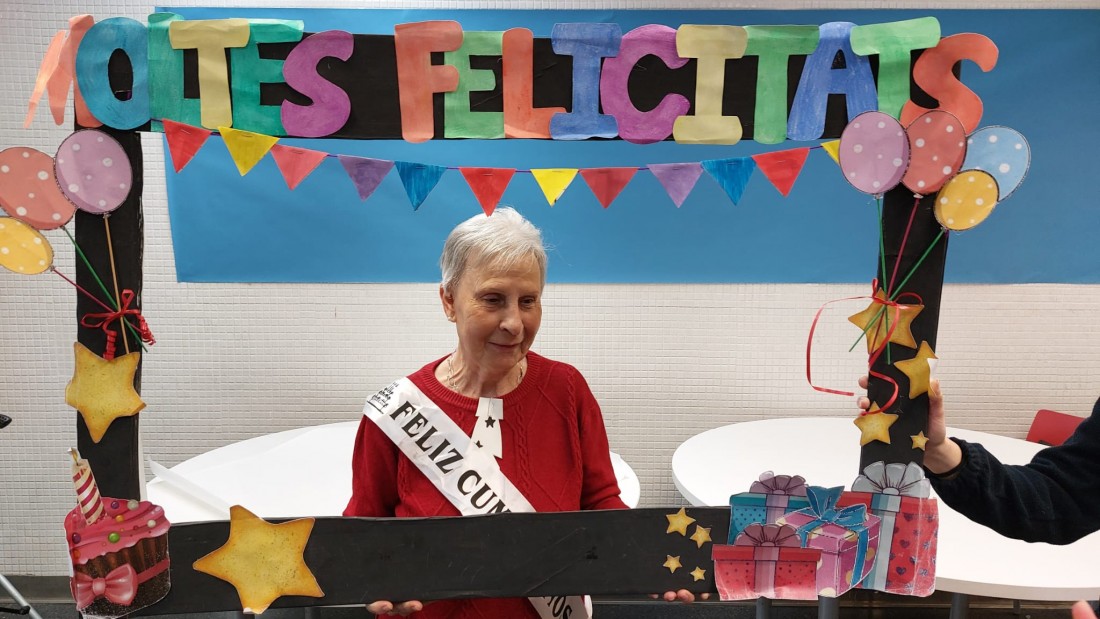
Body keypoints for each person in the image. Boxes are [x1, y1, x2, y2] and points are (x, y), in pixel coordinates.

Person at [345, 208, 701, 617]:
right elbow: (362, 531)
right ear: (448, 300)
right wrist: (371, 581)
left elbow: (600, 501)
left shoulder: (567, 389)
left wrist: (645, 556)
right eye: (493, 300)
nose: (514, 323)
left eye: (528, 301)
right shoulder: (395, 411)